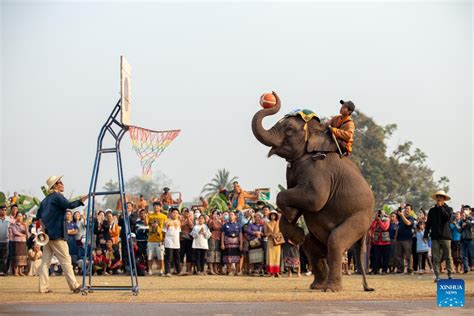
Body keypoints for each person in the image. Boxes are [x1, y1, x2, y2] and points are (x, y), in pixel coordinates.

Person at [36, 175, 87, 293]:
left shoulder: (44, 200)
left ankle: (43, 288)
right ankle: (74, 286)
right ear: (55, 185)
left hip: (47, 236)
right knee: (66, 261)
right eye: (60, 182)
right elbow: (69, 205)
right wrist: (82, 200)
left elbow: (38, 217)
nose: (63, 184)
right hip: (57, 235)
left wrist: (43, 228)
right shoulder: (57, 196)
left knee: (45, 263)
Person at [423, 190, 454, 282]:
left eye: (441, 196)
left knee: (448, 256)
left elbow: (447, 218)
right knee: (435, 257)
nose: (439, 198)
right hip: (435, 237)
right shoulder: (432, 211)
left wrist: (441, 208)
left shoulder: (449, 209)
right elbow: (428, 224)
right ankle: (437, 276)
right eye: (437, 196)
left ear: (444, 198)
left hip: (446, 237)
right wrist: (425, 234)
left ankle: (450, 274)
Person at [146, 201, 167, 276]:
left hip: (159, 239)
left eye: (158, 206)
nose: (156, 207)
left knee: (161, 256)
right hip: (151, 239)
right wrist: (146, 215)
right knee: (149, 256)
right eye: (155, 206)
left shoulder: (164, 216)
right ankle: (150, 270)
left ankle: (161, 270)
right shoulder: (149, 215)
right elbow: (146, 223)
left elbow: (165, 228)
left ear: (160, 207)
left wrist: (163, 239)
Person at [396, 205, 415, 274]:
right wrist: (400, 207)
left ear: (411, 211)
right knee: (399, 256)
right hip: (399, 239)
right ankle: (400, 269)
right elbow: (397, 212)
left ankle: (409, 270)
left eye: (408, 209)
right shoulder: (400, 217)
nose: (406, 210)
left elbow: (407, 223)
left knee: (408, 255)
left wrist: (402, 216)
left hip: (407, 239)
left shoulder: (411, 218)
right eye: (405, 208)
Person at [369, 210, 391, 274]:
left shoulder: (387, 219)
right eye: (379, 213)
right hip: (377, 242)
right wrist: (376, 220)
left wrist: (379, 221)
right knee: (376, 257)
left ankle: (384, 270)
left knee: (385, 257)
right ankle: (375, 270)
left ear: (384, 214)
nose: (380, 214)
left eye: (381, 213)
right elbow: (372, 227)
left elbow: (385, 228)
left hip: (386, 242)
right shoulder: (376, 220)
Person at [163, 208, 181, 277]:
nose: (175, 214)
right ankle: (167, 271)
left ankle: (178, 271)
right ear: (170, 214)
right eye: (173, 213)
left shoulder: (179, 222)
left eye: (176, 213)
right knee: (168, 257)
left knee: (177, 257)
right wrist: (164, 241)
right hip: (169, 241)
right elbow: (164, 232)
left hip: (176, 242)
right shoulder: (167, 222)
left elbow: (178, 232)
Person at [264, 210, 282, 277]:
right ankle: (271, 272)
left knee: (277, 256)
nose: (273, 216)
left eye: (274, 215)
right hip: (270, 241)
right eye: (271, 215)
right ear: (269, 216)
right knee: (270, 256)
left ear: (276, 216)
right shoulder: (266, 223)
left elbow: (281, 231)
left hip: (277, 241)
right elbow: (265, 233)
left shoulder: (278, 223)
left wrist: (277, 235)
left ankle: (276, 272)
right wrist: (270, 234)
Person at [207, 209, 223, 275]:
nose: (216, 215)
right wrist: (213, 220)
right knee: (211, 253)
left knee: (217, 253)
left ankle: (215, 269)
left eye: (217, 213)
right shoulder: (210, 221)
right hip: (212, 237)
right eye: (215, 213)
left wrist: (220, 220)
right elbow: (209, 227)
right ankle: (211, 269)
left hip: (219, 238)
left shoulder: (221, 222)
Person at [180, 208, 194, 275]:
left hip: (189, 239)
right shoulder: (180, 219)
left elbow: (191, 226)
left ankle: (188, 270)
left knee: (189, 255)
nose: (186, 213)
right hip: (181, 239)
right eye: (185, 212)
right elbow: (180, 226)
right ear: (183, 213)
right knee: (181, 255)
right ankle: (180, 270)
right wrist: (185, 220)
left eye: (187, 212)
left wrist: (188, 218)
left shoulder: (191, 219)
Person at [460, 206, 473, 274]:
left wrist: (466, 219)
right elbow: (459, 230)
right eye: (464, 209)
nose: (465, 210)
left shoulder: (471, 218)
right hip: (463, 239)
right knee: (464, 255)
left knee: (471, 254)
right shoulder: (461, 220)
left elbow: (471, 225)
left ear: (470, 211)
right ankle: (465, 269)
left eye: (467, 209)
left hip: (470, 239)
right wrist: (461, 226)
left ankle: (471, 266)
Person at [0, 205, 10, 276]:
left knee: (4, 257)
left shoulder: (8, 220)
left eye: (5, 210)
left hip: (6, 241)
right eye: (2, 210)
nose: (3, 211)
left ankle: (3, 271)